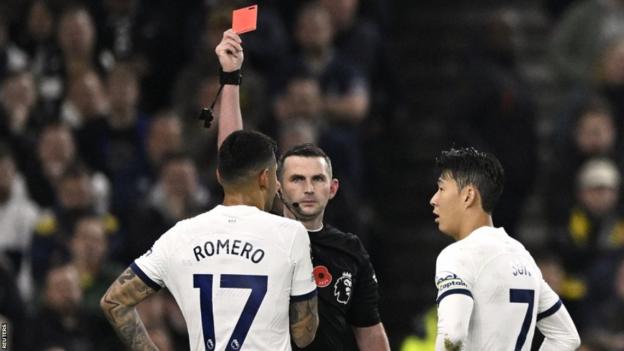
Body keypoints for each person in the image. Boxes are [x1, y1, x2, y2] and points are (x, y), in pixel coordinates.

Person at [214, 29, 390, 351]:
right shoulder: (257, 231)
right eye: (297, 179)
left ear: (332, 188)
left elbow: (370, 332)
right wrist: (230, 77)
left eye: (317, 180)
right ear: (278, 185)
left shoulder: (349, 251)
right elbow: (232, 153)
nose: (308, 188)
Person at [100, 129, 319, 350]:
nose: (279, 185)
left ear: (219, 176)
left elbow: (114, 302)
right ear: (264, 177)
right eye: (275, 175)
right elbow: (303, 334)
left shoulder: (180, 235)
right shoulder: (290, 234)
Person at [429, 147, 581, 350]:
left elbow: (453, 337)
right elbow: (567, 336)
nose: (434, 199)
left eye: (441, 189)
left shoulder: (458, 255)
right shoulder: (523, 257)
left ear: (468, 196)